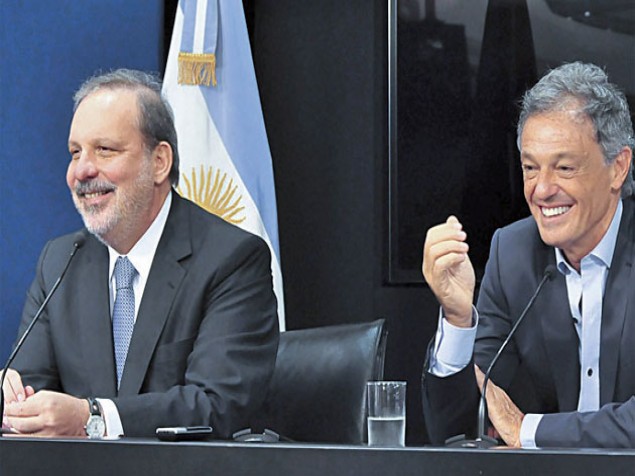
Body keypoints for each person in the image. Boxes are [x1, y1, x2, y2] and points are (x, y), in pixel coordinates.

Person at [1, 69, 279, 439]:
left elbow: (219, 405)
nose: (82, 170)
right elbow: (28, 390)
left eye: (105, 150)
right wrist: (13, 403)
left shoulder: (231, 259)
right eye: (75, 152)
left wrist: (92, 418)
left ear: (159, 162)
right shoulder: (60, 262)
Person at [421, 62, 634, 448]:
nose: (542, 189)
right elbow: (458, 432)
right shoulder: (513, 254)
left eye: (564, 167)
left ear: (618, 167)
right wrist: (458, 319)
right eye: (530, 168)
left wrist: (529, 431)